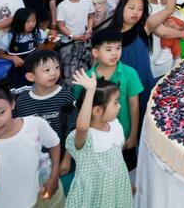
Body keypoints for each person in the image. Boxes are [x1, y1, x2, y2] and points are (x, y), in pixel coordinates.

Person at [76, 28, 142, 170]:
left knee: (127, 171)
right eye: (108, 49)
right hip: (96, 141)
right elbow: (80, 110)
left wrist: (133, 135)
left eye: (118, 48)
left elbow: (134, 105)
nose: (115, 53)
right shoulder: (86, 79)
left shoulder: (129, 73)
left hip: (124, 135)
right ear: (95, 53)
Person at [67, 70, 132, 208]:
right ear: (97, 111)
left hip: (116, 189)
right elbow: (82, 128)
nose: (120, 106)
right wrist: (90, 92)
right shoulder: (87, 138)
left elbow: (117, 158)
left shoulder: (115, 125)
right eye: (116, 103)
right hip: (94, 194)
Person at [13, 50, 77, 176]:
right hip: (33, 165)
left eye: (57, 67)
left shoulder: (66, 97)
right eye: (47, 70)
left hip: (63, 161)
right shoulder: (22, 103)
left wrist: (67, 159)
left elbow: (73, 130)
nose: (53, 73)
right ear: (31, 76)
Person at [56, 0, 95, 89]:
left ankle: (84, 93)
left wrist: (89, 29)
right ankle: (69, 95)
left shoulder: (87, 1)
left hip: (85, 41)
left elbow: (91, 16)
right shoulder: (63, 6)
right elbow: (61, 25)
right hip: (69, 44)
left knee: (85, 69)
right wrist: (73, 36)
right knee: (69, 72)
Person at [0, 8, 47, 89]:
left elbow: (41, 50)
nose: (31, 24)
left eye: (33, 21)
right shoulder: (9, 37)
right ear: (19, 22)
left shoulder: (37, 33)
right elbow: (0, 55)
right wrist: (13, 58)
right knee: (19, 89)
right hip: (15, 70)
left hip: (32, 67)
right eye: (28, 22)